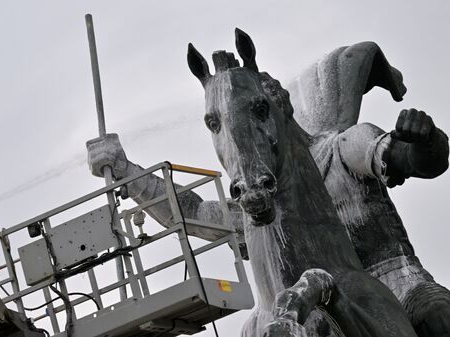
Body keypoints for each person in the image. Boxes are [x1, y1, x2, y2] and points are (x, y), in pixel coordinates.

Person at [86, 89, 449, 337]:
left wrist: (426, 139)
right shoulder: (258, 202)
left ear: (282, 112)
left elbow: (412, 160)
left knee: (437, 315)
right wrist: (126, 173)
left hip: (394, 283)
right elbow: (194, 211)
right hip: (295, 303)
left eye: (260, 119)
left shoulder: (342, 147)